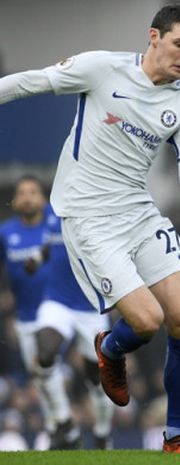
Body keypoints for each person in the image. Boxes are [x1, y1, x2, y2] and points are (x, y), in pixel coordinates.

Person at [0, 4, 180, 454]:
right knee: (146, 321)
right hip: (88, 218)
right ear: (154, 37)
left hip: (138, 212)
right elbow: (32, 80)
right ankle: (110, 348)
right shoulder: (102, 69)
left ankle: (177, 438)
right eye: (179, 44)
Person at [34, 203, 115, 449]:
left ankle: (102, 432)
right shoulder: (51, 209)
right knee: (45, 355)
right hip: (57, 301)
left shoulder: (101, 208)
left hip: (91, 308)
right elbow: (49, 244)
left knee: (98, 378)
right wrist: (37, 257)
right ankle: (64, 421)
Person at [0, 175, 67, 448]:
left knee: (48, 369)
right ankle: (54, 428)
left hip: (57, 313)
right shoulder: (5, 233)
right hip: (25, 318)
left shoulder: (55, 229)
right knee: (40, 376)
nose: (27, 197)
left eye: (33, 192)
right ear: (15, 201)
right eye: (22, 193)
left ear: (42, 199)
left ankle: (58, 427)